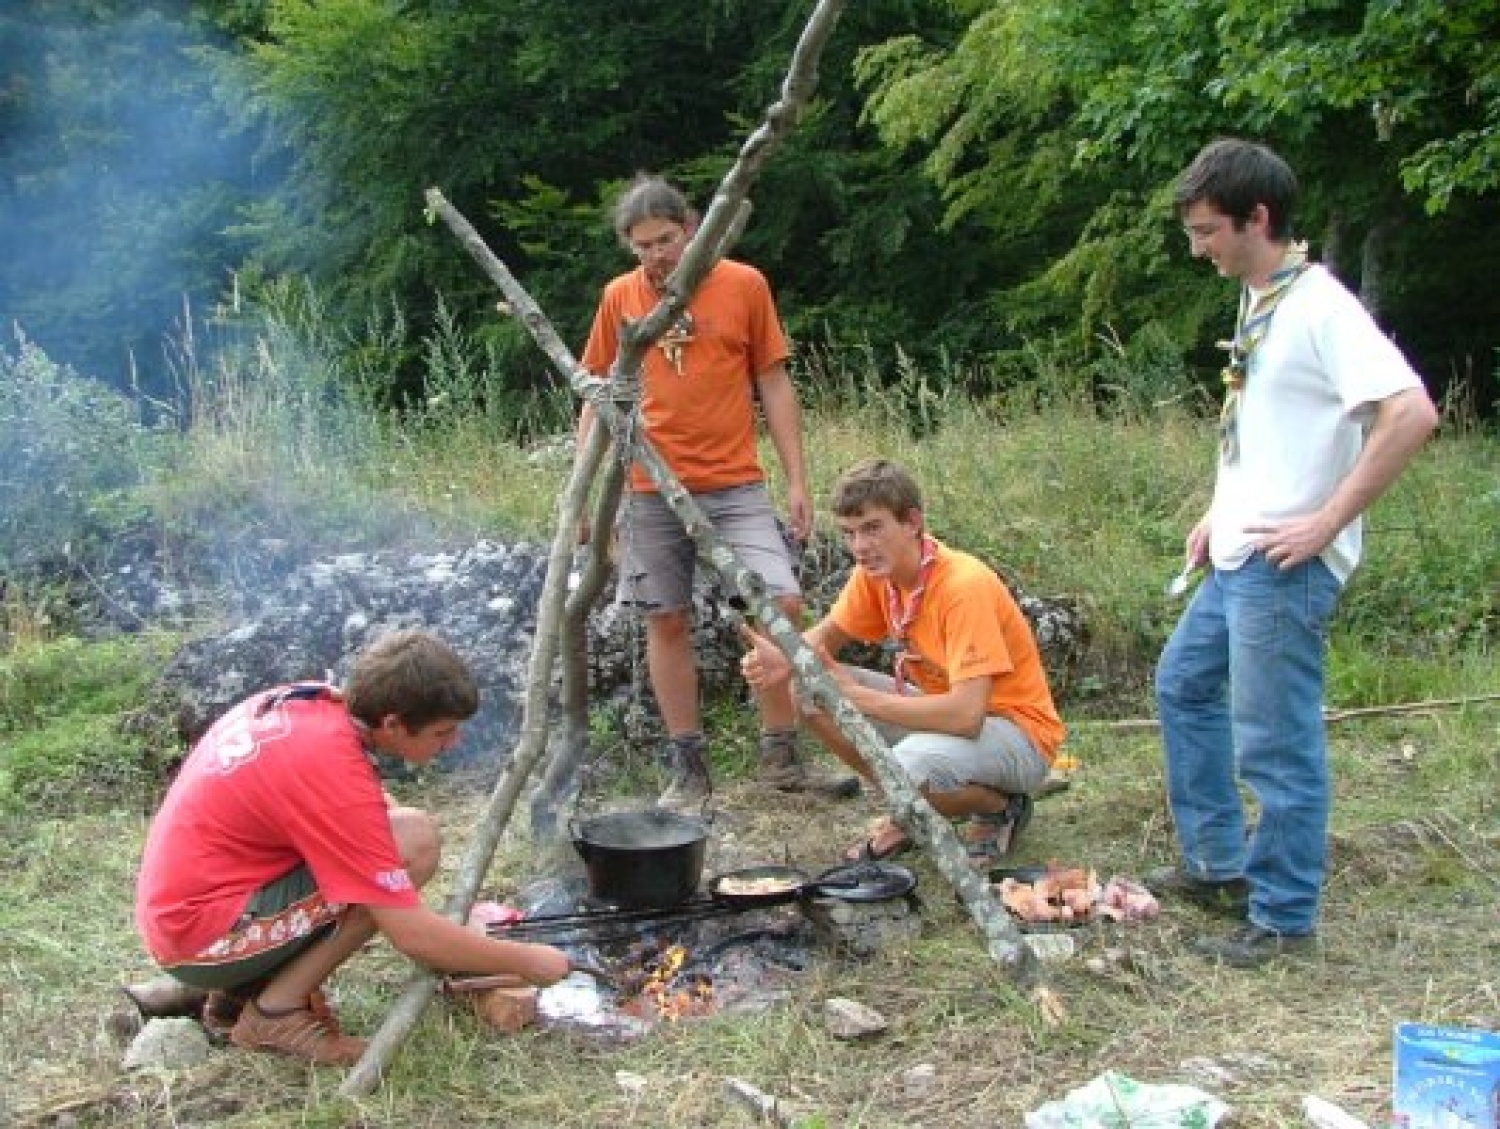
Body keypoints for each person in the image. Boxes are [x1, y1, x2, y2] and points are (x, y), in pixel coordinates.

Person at [1151, 138, 1439, 968]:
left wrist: (1325, 522)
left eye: (1208, 230)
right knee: (1184, 684)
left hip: (1286, 565)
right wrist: (1218, 510)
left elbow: (1411, 413)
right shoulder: (1258, 296)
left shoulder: (1320, 305)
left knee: (1274, 740)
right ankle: (1215, 865)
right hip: (1240, 548)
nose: (1196, 247)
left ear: (1259, 219)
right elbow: (1262, 430)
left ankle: (1282, 919)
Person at [129, 629, 572, 1065]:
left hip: (193, 910)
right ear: (394, 723)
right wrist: (528, 960)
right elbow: (411, 935)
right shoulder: (330, 765)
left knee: (404, 838)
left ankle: (239, 991)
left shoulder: (315, 706)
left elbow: (369, 819)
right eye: (442, 732)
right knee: (412, 847)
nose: (452, 743)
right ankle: (275, 1013)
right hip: (198, 936)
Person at [577, 173, 855, 807]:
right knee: (664, 616)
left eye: (666, 239)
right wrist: (589, 495)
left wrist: (797, 480)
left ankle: (781, 754)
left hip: (734, 483)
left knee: (780, 603)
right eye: (642, 245)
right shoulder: (620, 298)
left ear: (693, 226)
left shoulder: (743, 284)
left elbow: (774, 382)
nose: (656, 255)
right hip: (648, 484)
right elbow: (595, 396)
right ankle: (689, 767)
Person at [739, 459, 1066, 865]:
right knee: (808, 690)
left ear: (912, 522)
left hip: (1019, 736)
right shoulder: (877, 574)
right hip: (949, 721)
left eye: (873, 528)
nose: (859, 547)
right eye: (849, 533)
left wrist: (859, 697)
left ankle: (996, 807)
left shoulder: (963, 586)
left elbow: (967, 716)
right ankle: (915, 806)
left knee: (908, 764)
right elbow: (821, 641)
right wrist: (784, 660)